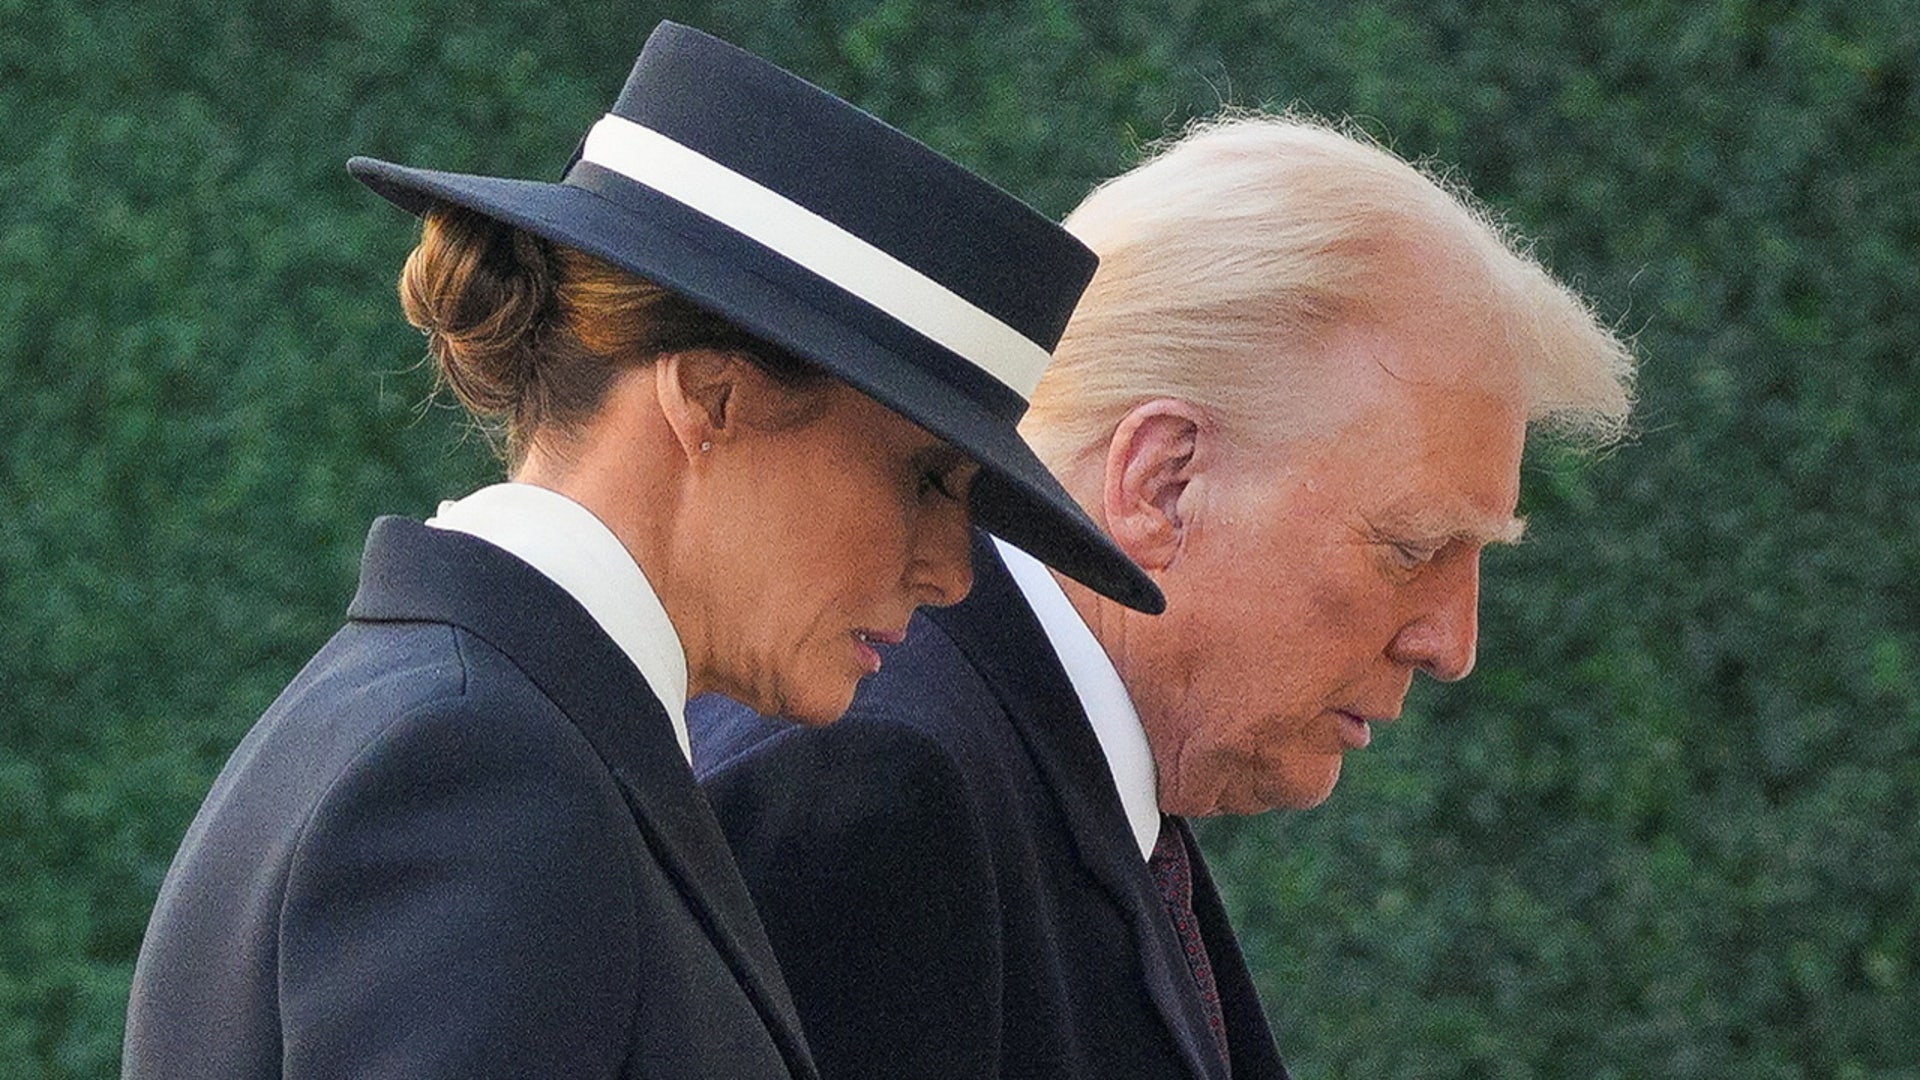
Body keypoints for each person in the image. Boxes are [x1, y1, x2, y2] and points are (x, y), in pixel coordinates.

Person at [121, 22, 1162, 1080]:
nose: (954, 568)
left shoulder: (474, 723)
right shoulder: (488, 769)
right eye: (928, 479)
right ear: (713, 399)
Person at [691, 113, 1636, 1080]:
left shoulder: (1040, 773)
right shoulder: (879, 793)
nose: (1453, 642)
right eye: (1413, 546)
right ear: (1162, 481)